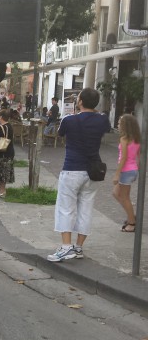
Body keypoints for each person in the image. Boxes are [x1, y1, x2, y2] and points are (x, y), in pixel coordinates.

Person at [47, 88, 111, 262]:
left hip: (72, 169)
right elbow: (104, 124)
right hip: (93, 171)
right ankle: (78, 247)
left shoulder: (69, 120)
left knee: (66, 208)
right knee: (86, 209)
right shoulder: (102, 120)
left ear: (80, 101)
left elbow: (60, 134)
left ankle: (66, 247)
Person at [113, 114, 140, 233]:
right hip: (132, 170)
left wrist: (117, 174)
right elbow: (139, 155)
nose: (118, 125)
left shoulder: (124, 139)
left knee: (124, 198)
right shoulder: (136, 138)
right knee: (116, 193)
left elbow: (123, 158)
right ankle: (131, 216)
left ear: (125, 125)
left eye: (119, 123)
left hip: (126, 170)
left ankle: (132, 223)